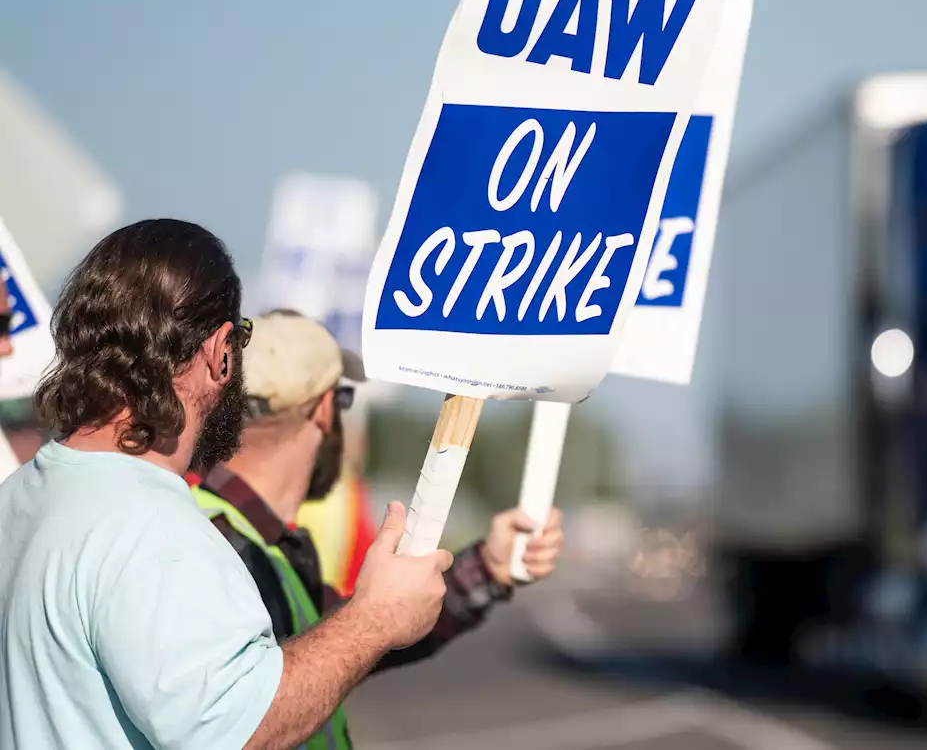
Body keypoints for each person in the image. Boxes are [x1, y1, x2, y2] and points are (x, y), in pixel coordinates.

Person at [0, 219, 453, 750]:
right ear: (220, 351)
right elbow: (241, 730)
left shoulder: (20, 494)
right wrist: (374, 621)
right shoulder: (151, 530)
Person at [194, 309, 564, 748]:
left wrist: (487, 566)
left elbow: (347, 642)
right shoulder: (222, 544)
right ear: (326, 410)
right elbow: (242, 723)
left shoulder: (236, 533)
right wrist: (375, 619)